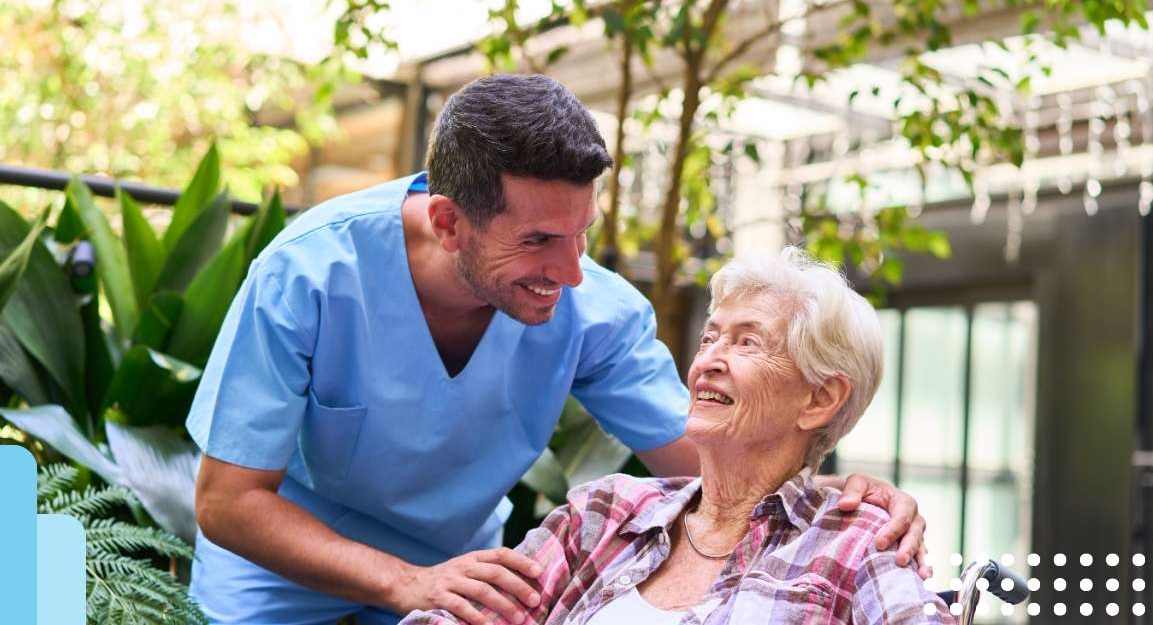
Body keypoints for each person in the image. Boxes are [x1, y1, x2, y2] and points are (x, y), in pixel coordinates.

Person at [186, 74, 930, 625]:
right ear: (449, 224)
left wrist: (854, 500)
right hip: (279, 572)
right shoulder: (310, 272)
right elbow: (228, 500)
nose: (571, 272)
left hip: (458, 574)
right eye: (539, 240)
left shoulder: (592, 308)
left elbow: (717, 459)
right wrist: (405, 582)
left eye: (581, 235)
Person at [401, 248, 950, 625]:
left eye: (746, 343)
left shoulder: (858, 543)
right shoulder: (606, 514)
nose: (709, 360)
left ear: (819, 399)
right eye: (710, 338)